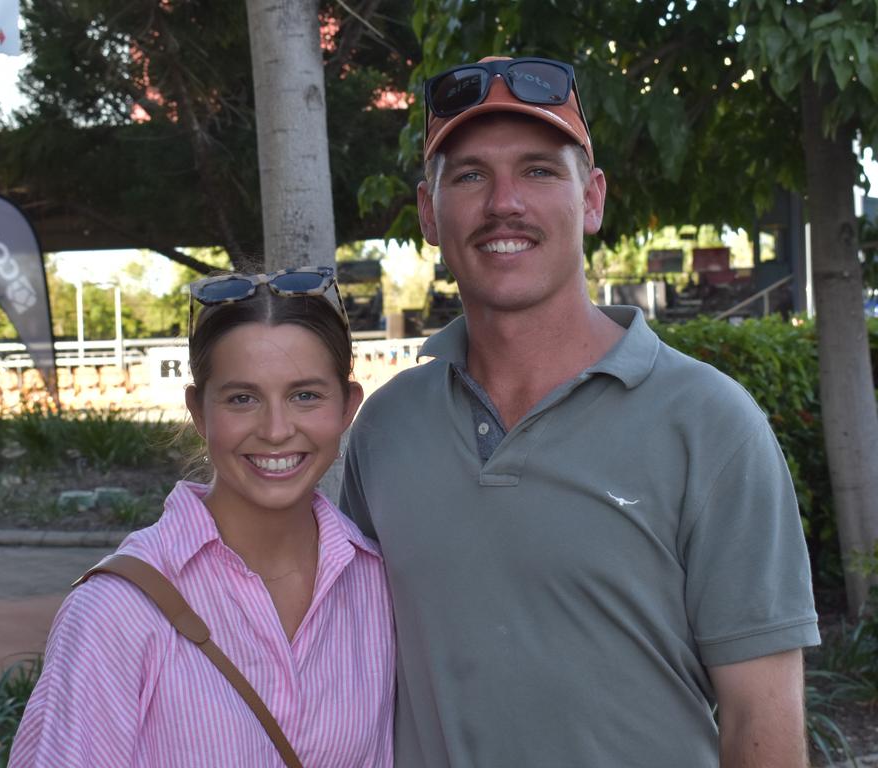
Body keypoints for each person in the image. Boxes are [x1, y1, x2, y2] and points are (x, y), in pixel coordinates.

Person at [341, 57, 820, 767]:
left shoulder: (709, 424)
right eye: (470, 175)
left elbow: (762, 718)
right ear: (427, 213)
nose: (505, 202)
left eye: (539, 170)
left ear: (592, 199)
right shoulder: (385, 429)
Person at [11, 266, 395, 767]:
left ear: (348, 407)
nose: (277, 430)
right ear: (198, 411)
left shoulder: (377, 585)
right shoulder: (117, 611)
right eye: (242, 398)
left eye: (305, 395)